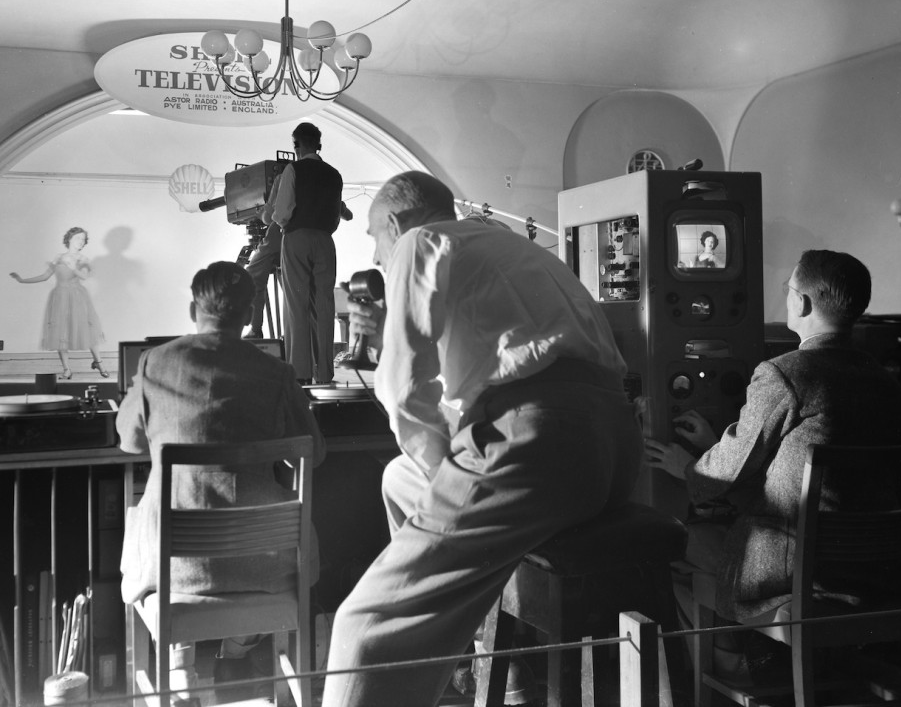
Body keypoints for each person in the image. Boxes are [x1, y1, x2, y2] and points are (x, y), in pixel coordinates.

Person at [321, 172, 642, 707]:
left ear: (396, 224)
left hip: (537, 444)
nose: (377, 258)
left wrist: (446, 465)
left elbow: (402, 391)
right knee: (399, 478)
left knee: (366, 621)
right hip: (612, 449)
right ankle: (477, 651)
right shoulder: (513, 247)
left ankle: (425, 632)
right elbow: (489, 374)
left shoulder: (417, 243)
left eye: (376, 242)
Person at [645, 249, 901, 679]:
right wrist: (718, 444)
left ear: (801, 303)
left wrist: (684, 466)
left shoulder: (786, 372)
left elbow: (724, 473)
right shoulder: (886, 381)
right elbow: (812, 473)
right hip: (872, 567)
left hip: (794, 573)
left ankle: (742, 669)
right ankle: (791, 665)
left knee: (670, 548)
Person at [116, 261, 326, 699]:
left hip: (173, 569)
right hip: (263, 562)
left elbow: (130, 442)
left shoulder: (156, 362)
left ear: (194, 308)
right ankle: (237, 649)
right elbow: (316, 452)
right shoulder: (277, 373)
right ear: (249, 315)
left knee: (156, 515)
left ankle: (179, 667)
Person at [269, 122, 348, 384]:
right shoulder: (335, 174)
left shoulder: (293, 169)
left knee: (296, 305)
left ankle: (299, 373)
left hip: (297, 238)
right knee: (324, 306)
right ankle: (324, 372)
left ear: (296, 145)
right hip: (325, 240)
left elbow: (281, 213)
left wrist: (282, 223)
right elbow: (336, 214)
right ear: (319, 144)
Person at [10, 226, 107, 378]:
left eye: (83, 239)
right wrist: (21, 280)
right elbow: (45, 276)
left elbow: (84, 277)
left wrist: (73, 267)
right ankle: (67, 369)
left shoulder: (83, 259)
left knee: (86, 329)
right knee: (60, 332)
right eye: (78, 238)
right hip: (60, 296)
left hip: (77, 297)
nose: (81, 242)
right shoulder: (58, 257)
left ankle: (98, 363)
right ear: (69, 239)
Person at [243, 217, 282, 339]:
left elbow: (270, 214)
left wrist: (263, 214)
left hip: (278, 231)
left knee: (251, 279)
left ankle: (255, 330)